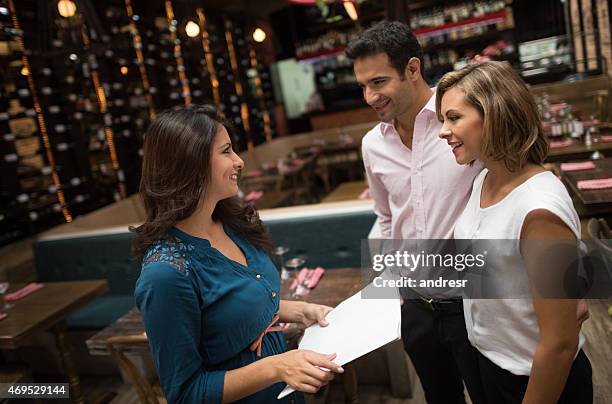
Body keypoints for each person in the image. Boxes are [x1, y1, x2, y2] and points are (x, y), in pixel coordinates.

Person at [131, 105, 344, 404]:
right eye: (227, 151)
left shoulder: (232, 222)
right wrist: (276, 367)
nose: (239, 161)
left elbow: (231, 305)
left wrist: (297, 310)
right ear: (191, 162)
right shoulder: (165, 274)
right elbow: (185, 394)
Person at [346, 21, 486, 404]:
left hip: (472, 301)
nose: (370, 96)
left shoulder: (460, 117)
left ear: (412, 68)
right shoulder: (372, 145)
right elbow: (387, 217)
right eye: (362, 87)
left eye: (378, 82)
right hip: (416, 308)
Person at [437, 61, 593, 403]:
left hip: (535, 378)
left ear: (494, 114)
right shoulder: (483, 179)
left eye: (453, 117)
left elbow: (559, 344)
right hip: (489, 362)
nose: (442, 131)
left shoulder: (538, 206)